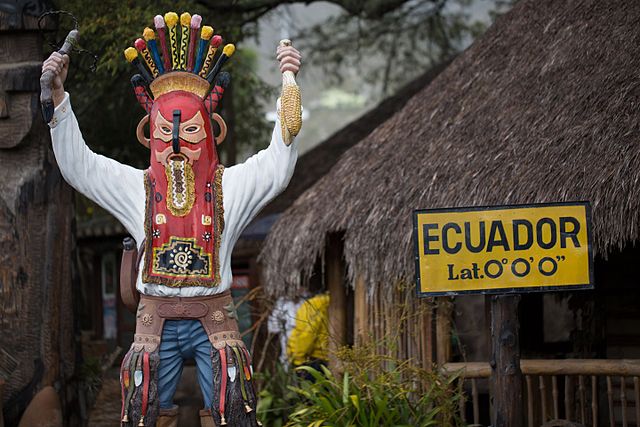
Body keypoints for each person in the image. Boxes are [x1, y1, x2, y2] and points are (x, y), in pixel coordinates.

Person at [41, 11, 302, 427]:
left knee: (232, 413)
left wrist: (288, 85)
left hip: (214, 319)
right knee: (142, 413)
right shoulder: (136, 188)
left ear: (212, 132)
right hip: (153, 321)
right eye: (166, 133)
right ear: (149, 135)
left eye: (190, 133)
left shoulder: (229, 189)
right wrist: (58, 100)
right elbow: (81, 168)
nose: (177, 143)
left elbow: (276, 165)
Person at [287, 293, 330, 378]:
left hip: (313, 360)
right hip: (326, 358)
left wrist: (298, 360)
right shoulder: (328, 302)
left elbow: (306, 335)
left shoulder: (314, 304)